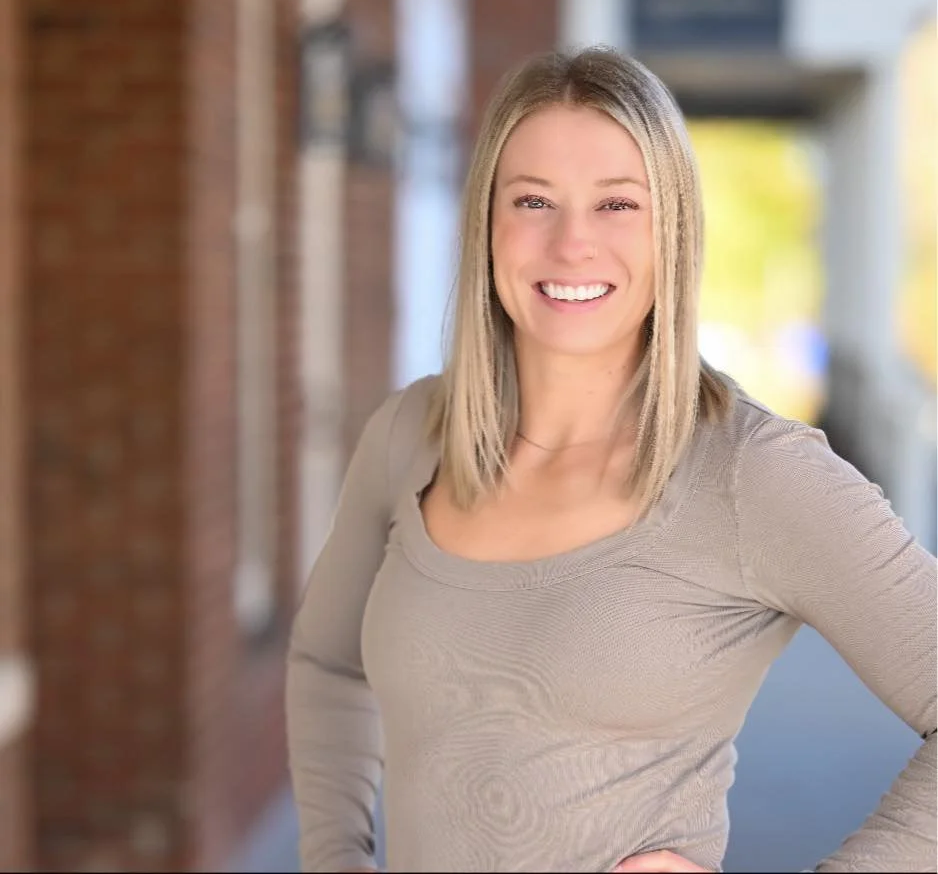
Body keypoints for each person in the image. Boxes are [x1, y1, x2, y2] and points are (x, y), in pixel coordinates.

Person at [285, 45, 937, 874]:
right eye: (533, 200)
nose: (571, 245)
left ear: (674, 230)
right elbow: (326, 664)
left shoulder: (756, 475)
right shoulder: (410, 432)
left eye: (617, 205)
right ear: (487, 223)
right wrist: (334, 856)